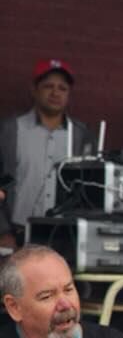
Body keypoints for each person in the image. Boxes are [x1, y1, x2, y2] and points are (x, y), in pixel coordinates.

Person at [1, 59, 92, 237]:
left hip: (62, 234)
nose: (55, 93)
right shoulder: (10, 130)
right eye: (48, 86)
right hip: (16, 232)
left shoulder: (81, 135)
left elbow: (87, 189)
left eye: (62, 88)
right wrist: (3, 232)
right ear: (34, 90)